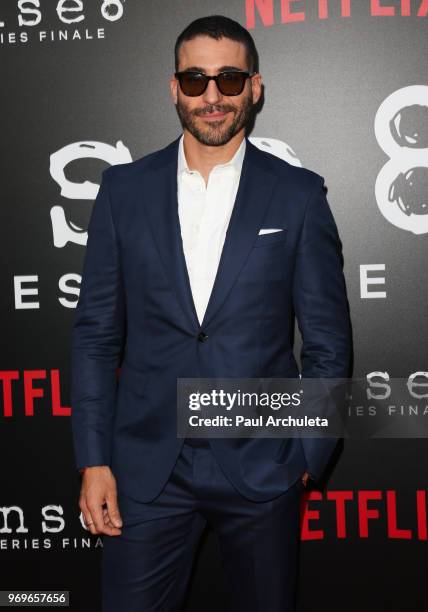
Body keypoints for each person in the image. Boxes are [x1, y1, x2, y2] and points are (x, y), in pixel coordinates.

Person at [70, 14, 352, 612]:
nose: (213, 97)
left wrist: (306, 454)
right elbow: (96, 336)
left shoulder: (299, 195)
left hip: (260, 466)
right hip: (146, 472)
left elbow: (327, 342)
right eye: (196, 80)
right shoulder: (124, 190)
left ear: (255, 86)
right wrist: (93, 460)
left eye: (229, 79)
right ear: (174, 87)